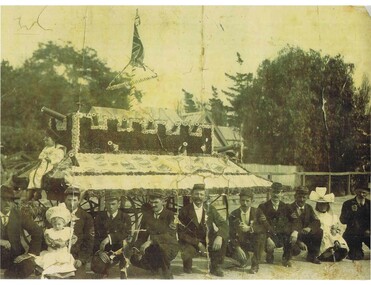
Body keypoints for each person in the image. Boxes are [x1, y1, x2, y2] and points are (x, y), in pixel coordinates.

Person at [178, 183, 228, 277]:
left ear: (205, 197)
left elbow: (223, 224)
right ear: (192, 195)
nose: (198, 197)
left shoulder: (210, 209)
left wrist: (220, 236)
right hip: (192, 241)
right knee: (186, 252)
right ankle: (187, 264)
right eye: (196, 194)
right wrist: (198, 244)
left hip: (207, 239)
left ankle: (215, 266)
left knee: (222, 238)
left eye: (201, 194)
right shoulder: (184, 211)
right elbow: (181, 233)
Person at [130, 192, 179, 279]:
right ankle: (156, 267)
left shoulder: (170, 215)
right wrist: (136, 248)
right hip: (153, 246)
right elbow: (142, 235)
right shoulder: (147, 215)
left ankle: (166, 272)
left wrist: (151, 241)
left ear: (163, 202)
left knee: (161, 250)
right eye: (151, 202)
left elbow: (170, 235)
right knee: (134, 259)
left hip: (169, 246)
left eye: (156, 202)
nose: (153, 205)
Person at [0, 185, 43, 278]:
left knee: (27, 267)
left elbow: (38, 232)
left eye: (11, 200)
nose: (8, 204)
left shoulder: (18, 215)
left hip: (15, 257)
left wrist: (29, 254)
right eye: (4, 200)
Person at [92, 192, 131, 279]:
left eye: (113, 204)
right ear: (105, 204)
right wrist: (99, 251)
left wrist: (109, 238)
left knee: (125, 244)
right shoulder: (99, 217)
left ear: (119, 204)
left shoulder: (125, 217)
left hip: (120, 248)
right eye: (108, 204)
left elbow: (126, 233)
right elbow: (95, 236)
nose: (111, 207)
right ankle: (105, 268)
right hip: (104, 249)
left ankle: (123, 266)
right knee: (96, 267)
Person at [58, 186, 95, 278]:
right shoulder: (57, 215)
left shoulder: (86, 217)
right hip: (58, 255)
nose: (71, 203)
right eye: (69, 200)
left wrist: (81, 259)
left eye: (74, 200)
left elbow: (89, 241)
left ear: (79, 201)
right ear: (64, 200)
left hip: (76, 257)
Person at [228, 189, 266, 274]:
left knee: (261, 236)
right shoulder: (233, 214)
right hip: (241, 241)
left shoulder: (258, 212)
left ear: (252, 201)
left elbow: (264, 227)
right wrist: (237, 247)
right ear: (239, 201)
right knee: (229, 245)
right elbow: (231, 233)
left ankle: (255, 264)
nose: (245, 203)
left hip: (254, 241)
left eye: (247, 201)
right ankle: (242, 259)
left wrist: (250, 228)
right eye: (242, 200)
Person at [35, 206, 77, 278]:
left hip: (62, 251)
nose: (57, 226)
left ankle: (63, 273)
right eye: (55, 224)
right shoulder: (49, 232)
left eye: (59, 224)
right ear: (52, 224)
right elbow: (48, 241)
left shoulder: (67, 231)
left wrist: (66, 243)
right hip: (52, 251)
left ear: (63, 223)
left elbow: (73, 238)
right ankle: (50, 273)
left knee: (64, 260)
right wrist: (54, 243)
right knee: (49, 259)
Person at [309, 187, 348, 262]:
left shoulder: (332, 216)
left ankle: (334, 251)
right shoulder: (314, 215)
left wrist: (336, 233)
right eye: (320, 205)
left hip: (331, 236)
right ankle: (324, 254)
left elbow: (336, 229)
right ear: (317, 205)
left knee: (339, 245)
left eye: (325, 205)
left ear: (328, 206)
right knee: (324, 245)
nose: (322, 206)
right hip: (320, 237)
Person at [258, 182, 292, 267]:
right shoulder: (263, 206)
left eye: (278, 192)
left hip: (281, 235)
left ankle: (286, 257)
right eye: (274, 192)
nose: (276, 195)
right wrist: (268, 237)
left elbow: (292, 222)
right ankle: (269, 254)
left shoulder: (286, 207)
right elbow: (260, 224)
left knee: (289, 237)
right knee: (267, 242)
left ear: (282, 193)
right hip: (269, 235)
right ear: (270, 192)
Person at [287, 186, 323, 265]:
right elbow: (286, 225)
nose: (302, 199)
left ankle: (312, 256)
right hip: (293, 236)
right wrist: (298, 241)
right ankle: (287, 257)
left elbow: (316, 221)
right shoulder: (289, 208)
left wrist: (310, 228)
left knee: (319, 231)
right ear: (295, 197)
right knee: (296, 251)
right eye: (299, 197)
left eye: (304, 197)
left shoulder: (308, 207)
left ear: (307, 197)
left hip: (305, 234)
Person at [27, 128, 66, 200]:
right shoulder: (46, 148)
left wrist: (51, 160)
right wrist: (42, 158)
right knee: (32, 173)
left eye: (48, 140)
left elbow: (58, 159)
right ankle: (33, 190)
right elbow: (41, 156)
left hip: (52, 166)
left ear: (53, 140)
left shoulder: (59, 149)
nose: (46, 142)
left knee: (39, 174)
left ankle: (38, 191)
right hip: (43, 164)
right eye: (45, 141)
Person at [340, 182, 370, 260]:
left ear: (368, 193)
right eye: (359, 192)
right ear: (356, 191)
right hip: (353, 234)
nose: (361, 194)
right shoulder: (347, 204)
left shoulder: (370, 204)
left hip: (367, 233)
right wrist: (351, 212)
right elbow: (342, 220)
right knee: (356, 256)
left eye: (364, 192)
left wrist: (369, 230)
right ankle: (356, 250)